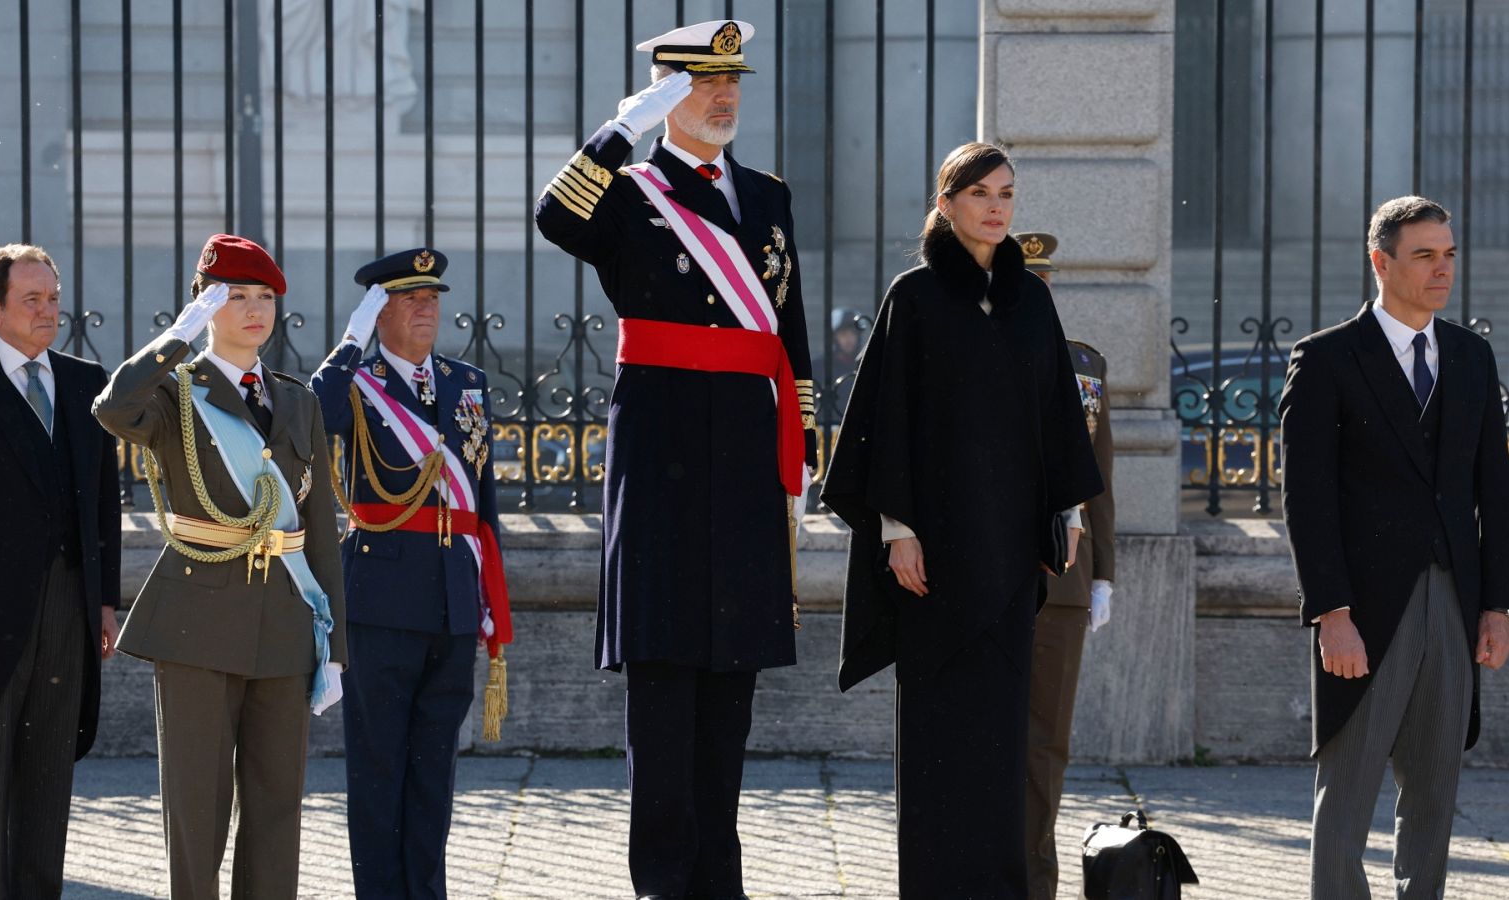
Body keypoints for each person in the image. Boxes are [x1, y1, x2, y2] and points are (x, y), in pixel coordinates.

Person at [534, 18, 818, 899]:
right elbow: (552, 215)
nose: (725, 95)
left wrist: (799, 445)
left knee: (730, 682)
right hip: (658, 451)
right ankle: (663, 879)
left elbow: (788, 330)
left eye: (733, 80)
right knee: (662, 681)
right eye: (702, 83)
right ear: (666, 94)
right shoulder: (629, 189)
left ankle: (718, 880)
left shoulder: (765, 195)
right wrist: (624, 127)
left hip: (739, 451)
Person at [822, 144, 1102, 899]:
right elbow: (886, 419)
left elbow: (1057, 419)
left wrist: (1068, 511)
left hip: (1010, 556)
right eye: (979, 193)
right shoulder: (913, 297)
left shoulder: (1030, 300)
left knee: (1002, 746)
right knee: (941, 743)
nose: (996, 207)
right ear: (946, 204)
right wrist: (898, 530)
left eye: (1006, 193)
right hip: (934, 560)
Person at [93, 233, 348, 899]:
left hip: (285, 625)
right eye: (236, 297)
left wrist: (335, 644)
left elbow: (319, 531)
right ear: (205, 307)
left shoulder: (297, 400)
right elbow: (112, 410)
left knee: (276, 810)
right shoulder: (176, 391)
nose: (255, 310)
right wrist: (174, 341)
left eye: (264, 296)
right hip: (196, 624)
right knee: (197, 810)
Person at [1280, 196, 1509, 899]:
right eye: (1424, 255)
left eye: (1448, 254)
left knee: (1436, 795)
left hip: (1455, 602)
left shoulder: (1473, 357)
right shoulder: (1324, 359)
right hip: (1364, 610)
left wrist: (1500, 605)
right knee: (1346, 800)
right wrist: (1331, 612)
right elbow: (1307, 499)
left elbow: (1495, 493)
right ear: (1381, 261)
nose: (1442, 269)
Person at [310, 248, 513, 900]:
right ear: (380, 311)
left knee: (433, 775)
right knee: (378, 772)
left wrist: (488, 600)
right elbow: (313, 417)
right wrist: (350, 340)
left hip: (454, 599)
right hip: (381, 599)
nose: (427, 309)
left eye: (433, 297)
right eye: (408, 299)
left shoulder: (467, 382)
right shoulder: (358, 384)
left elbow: (483, 504)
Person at [0, 244, 122, 898]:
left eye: (54, 299)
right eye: (31, 300)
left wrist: (104, 604)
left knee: (47, 789)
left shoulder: (87, 383)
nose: (48, 312)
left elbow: (101, 505)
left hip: (68, 611)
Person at [1012, 231, 1118, 900]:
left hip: (1064, 583)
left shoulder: (1085, 368)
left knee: (1046, 747)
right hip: (988, 576)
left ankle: (1034, 884)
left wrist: (1104, 575)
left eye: (1045, 285)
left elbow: (1098, 478)